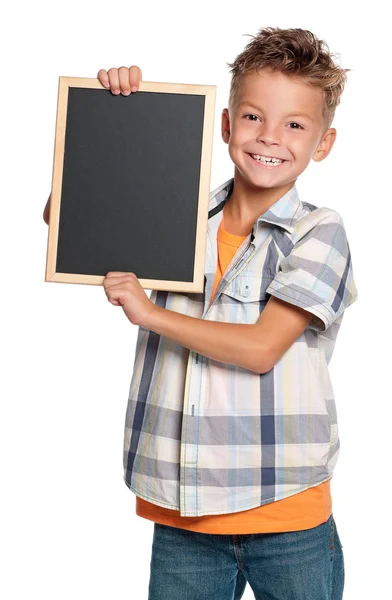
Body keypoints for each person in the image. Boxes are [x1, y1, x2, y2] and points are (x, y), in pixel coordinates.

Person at [43, 27, 358, 600]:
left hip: (285, 513)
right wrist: (112, 122)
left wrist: (150, 314)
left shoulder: (320, 230)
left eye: (295, 124)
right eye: (253, 117)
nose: (270, 137)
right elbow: (72, 222)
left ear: (324, 142)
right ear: (226, 124)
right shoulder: (179, 215)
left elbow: (262, 349)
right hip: (183, 514)